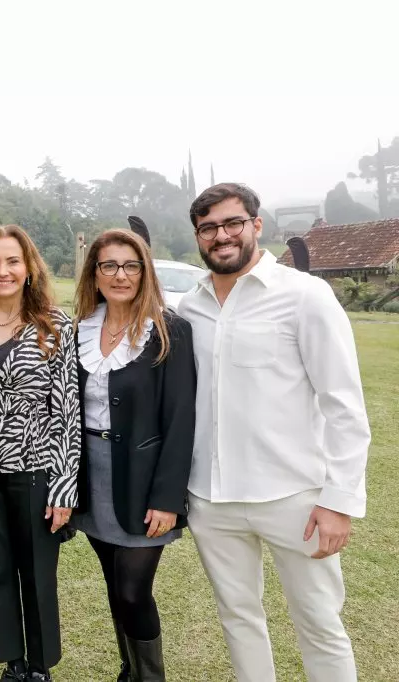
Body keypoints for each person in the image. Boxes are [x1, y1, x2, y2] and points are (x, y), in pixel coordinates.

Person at [177, 183, 371, 682]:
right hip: (211, 498)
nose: (221, 236)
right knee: (239, 621)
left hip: (296, 497)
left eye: (231, 223)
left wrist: (340, 500)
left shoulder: (305, 295)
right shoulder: (188, 307)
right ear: (197, 236)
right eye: (208, 228)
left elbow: (344, 405)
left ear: (255, 225)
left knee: (320, 624)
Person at [0, 225, 80, 682]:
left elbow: (68, 410)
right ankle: (11, 661)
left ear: (28, 268)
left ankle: (40, 666)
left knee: (37, 574)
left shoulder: (54, 326)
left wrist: (65, 485)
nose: (2, 271)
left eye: (12, 261)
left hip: (36, 470)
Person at [71, 229, 196, 682]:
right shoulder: (81, 327)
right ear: (95, 273)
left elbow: (181, 419)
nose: (120, 275)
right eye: (109, 265)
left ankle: (150, 678)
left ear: (145, 271)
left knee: (132, 589)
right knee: (113, 585)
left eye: (130, 265)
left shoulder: (168, 330)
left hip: (144, 480)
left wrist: (167, 497)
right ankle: (129, 671)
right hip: (93, 475)